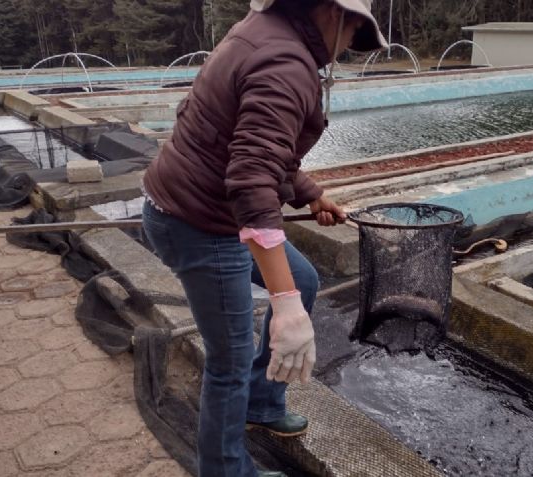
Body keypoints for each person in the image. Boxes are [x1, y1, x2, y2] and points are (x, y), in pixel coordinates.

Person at [140, 0, 387, 475]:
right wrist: (284, 303)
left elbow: (254, 143)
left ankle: (262, 402)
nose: (347, 45)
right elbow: (252, 178)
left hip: (202, 207)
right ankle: (225, 468)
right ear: (332, 12)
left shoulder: (266, 30)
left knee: (306, 279)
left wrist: (311, 195)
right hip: (201, 222)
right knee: (229, 360)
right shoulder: (285, 64)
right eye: (355, 25)